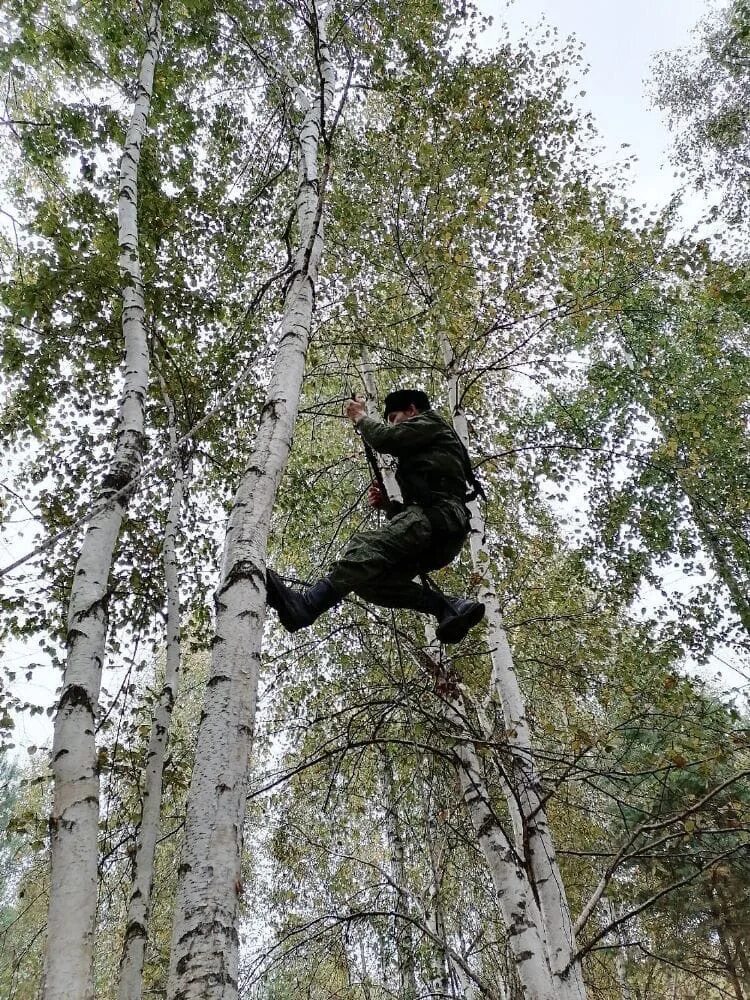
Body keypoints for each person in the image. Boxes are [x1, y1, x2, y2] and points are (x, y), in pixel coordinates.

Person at [266, 389, 485, 643]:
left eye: (393, 416)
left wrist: (361, 417)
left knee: (364, 546)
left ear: (412, 410)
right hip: (440, 532)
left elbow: (386, 438)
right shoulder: (428, 447)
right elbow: (422, 501)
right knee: (367, 580)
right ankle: (449, 607)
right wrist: (389, 508)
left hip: (439, 518)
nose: (391, 422)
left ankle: (306, 606)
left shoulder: (431, 422)